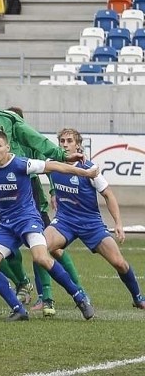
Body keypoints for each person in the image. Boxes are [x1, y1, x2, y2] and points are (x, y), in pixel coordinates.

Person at [0, 80, 84, 307]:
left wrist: (60, 155)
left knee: (49, 248)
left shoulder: (10, 120)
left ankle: (57, 294)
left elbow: (37, 143)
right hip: (2, 194)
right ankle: (22, 282)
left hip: (28, 190)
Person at [0, 131, 97, 321]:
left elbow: (54, 166)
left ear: (7, 148)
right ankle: (18, 309)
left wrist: (84, 172)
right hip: (7, 224)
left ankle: (79, 297)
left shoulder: (22, 164)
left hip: (28, 220)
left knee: (42, 258)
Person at [45, 128, 145, 310]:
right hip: (64, 221)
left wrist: (118, 224)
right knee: (42, 249)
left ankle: (138, 297)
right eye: (62, 141)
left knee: (119, 263)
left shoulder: (89, 169)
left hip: (91, 224)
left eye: (69, 141)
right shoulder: (52, 164)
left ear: (78, 144)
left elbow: (109, 195)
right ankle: (77, 294)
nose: (65, 144)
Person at [6, 106, 85, 318]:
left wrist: (52, 191)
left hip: (32, 200)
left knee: (49, 250)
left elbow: (48, 166)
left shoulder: (29, 141)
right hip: (10, 204)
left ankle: (51, 296)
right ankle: (24, 284)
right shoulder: (1, 144)